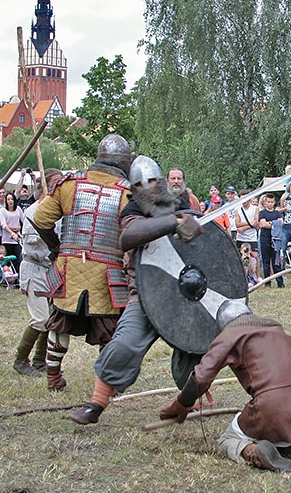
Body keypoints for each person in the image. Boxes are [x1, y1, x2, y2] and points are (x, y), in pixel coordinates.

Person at [67, 155, 204, 424]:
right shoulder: (132, 212)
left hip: (183, 294)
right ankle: (96, 404)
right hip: (145, 293)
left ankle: (189, 401)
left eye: (153, 180)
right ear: (133, 189)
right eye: (141, 184)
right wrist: (174, 223)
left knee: (196, 349)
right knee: (125, 342)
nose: (149, 187)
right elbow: (129, 236)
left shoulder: (180, 205)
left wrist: (192, 222)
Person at [159, 300, 291, 473]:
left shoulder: (230, 335)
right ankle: (284, 443)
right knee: (277, 408)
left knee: (227, 439)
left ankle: (254, 452)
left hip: (274, 407)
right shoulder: (277, 330)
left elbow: (201, 376)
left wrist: (181, 403)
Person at [32, 134, 133, 391]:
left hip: (71, 266)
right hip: (108, 271)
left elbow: (42, 220)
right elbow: (134, 233)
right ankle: (106, 385)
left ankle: (53, 377)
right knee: (108, 329)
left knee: (61, 322)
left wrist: (56, 246)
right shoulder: (127, 192)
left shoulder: (69, 184)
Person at [13, 169, 62, 378]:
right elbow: (35, 244)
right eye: (55, 183)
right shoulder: (34, 212)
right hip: (35, 267)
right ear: (45, 186)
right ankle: (20, 360)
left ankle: (40, 360)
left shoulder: (58, 211)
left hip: (51, 269)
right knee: (40, 319)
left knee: (52, 318)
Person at [257, 194, 283, 287]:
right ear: (265, 202)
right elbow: (263, 224)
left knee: (276, 262)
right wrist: (274, 224)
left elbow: (281, 223)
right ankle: (267, 283)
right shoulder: (262, 213)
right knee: (266, 262)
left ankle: (280, 282)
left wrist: (270, 223)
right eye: (268, 202)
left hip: (275, 240)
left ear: (274, 202)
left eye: (272, 202)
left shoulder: (277, 213)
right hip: (265, 239)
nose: (270, 204)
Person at [0, 192, 24, 271]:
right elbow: (3, 224)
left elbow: (23, 220)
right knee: (8, 259)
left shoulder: (18, 209)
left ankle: (17, 275)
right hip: (7, 239)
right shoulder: (3, 210)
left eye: (12, 199)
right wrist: (12, 232)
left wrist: (19, 227)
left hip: (17, 238)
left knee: (18, 258)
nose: (10, 201)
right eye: (8, 199)